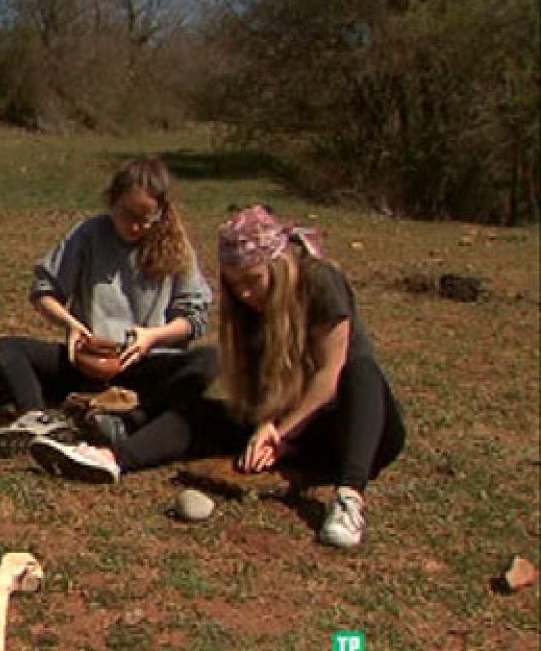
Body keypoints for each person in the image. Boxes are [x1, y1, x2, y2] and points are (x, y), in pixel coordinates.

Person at [30, 206, 405, 549]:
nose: (243, 293)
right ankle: (111, 458)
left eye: (253, 281)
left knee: (362, 372)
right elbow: (259, 384)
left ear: (277, 265)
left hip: (353, 431)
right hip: (293, 435)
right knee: (204, 411)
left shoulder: (321, 282)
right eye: (234, 284)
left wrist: (279, 429)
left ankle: (348, 499)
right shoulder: (246, 307)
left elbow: (329, 376)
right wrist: (267, 425)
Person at [0, 157, 218, 454]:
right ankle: (37, 419)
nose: (136, 226)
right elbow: (43, 291)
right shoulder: (89, 234)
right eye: (128, 214)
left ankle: (128, 422)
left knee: (211, 361)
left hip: (144, 362)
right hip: (88, 361)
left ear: (160, 213)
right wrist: (71, 325)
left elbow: (193, 318)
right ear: (112, 201)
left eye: (146, 219)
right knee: (10, 347)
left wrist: (152, 337)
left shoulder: (176, 245)